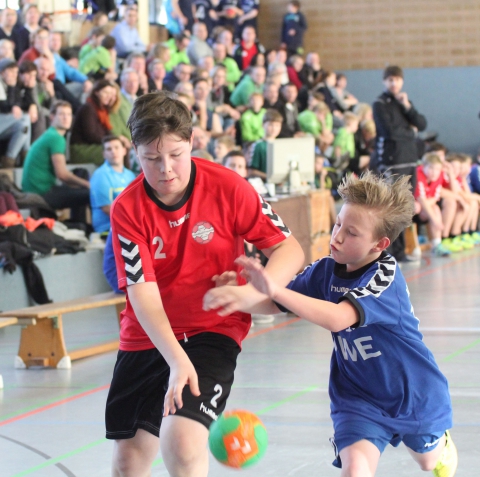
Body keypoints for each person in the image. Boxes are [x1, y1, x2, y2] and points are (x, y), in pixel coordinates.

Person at [204, 170, 457, 477]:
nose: (337, 236)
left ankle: (438, 445)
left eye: (351, 233)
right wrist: (239, 297)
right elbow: (278, 303)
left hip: (411, 394)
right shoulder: (326, 269)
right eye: (338, 223)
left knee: (428, 462)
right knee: (355, 470)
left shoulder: (384, 277)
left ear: (380, 243)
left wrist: (272, 287)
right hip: (357, 395)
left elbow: (339, 319)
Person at [105, 91, 304, 477]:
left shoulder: (230, 187)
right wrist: (176, 361)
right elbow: (142, 296)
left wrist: (252, 292)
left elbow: (289, 249)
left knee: (181, 440)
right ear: (135, 152)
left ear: (192, 143)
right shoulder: (127, 210)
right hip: (149, 334)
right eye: (151, 158)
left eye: (176, 154)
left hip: (211, 329)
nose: (166, 169)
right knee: (128, 463)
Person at [372, 65, 427, 262]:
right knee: (393, 208)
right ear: (384, 82)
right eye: (390, 80)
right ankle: (390, 252)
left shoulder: (403, 102)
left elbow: (422, 124)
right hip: (392, 161)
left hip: (409, 159)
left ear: (402, 81)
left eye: (397, 79)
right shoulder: (379, 104)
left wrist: (408, 107)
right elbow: (389, 132)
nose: (393, 83)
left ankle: (401, 251)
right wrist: (411, 133)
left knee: (405, 208)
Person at [21, 101, 90, 223]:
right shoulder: (56, 138)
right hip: (41, 193)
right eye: (61, 114)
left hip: (35, 190)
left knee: (81, 173)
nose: (66, 118)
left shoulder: (50, 134)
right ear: (52, 116)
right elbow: (62, 175)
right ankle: (84, 227)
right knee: (90, 194)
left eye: (68, 114)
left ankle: (78, 224)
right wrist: (88, 184)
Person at [90, 135, 136, 233]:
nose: (113, 151)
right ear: (104, 154)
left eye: (116, 147)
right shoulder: (101, 175)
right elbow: (107, 208)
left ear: (124, 150)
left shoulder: (130, 175)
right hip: (108, 229)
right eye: (109, 149)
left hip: (129, 226)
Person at [70, 79, 116, 165]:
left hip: (95, 145)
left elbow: (107, 131)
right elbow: (91, 135)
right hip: (81, 149)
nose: (108, 96)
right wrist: (110, 142)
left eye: (110, 93)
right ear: (96, 92)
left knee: (119, 148)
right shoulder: (88, 108)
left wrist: (117, 140)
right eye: (105, 92)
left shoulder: (102, 110)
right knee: (116, 152)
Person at [0, 58, 31, 168]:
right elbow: (4, 107)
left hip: (4, 124)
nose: (14, 75)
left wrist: (13, 88)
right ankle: (26, 156)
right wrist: (12, 88)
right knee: (25, 118)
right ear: (2, 72)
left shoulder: (13, 83)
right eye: (11, 71)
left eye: (16, 72)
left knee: (22, 127)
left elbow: (19, 103)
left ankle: (9, 160)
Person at [249, 108, 283, 180]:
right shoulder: (259, 145)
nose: (274, 128)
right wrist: (270, 177)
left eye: (277, 125)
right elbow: (252, 171)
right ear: (263, 125)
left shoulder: (281, 145)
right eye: (270, 125)